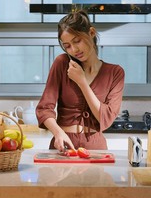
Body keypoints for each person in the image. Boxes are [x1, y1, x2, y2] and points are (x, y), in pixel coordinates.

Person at [36, 10, 125, 151]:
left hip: (96, 147)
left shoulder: (115, 73)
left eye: (77, 41)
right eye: (67, 46)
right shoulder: (62, 63)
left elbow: (106, 118)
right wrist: (58, 133)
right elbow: (44, 109)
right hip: (63, 145)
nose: (74, 49)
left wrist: (82, 82)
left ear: (91, 33)